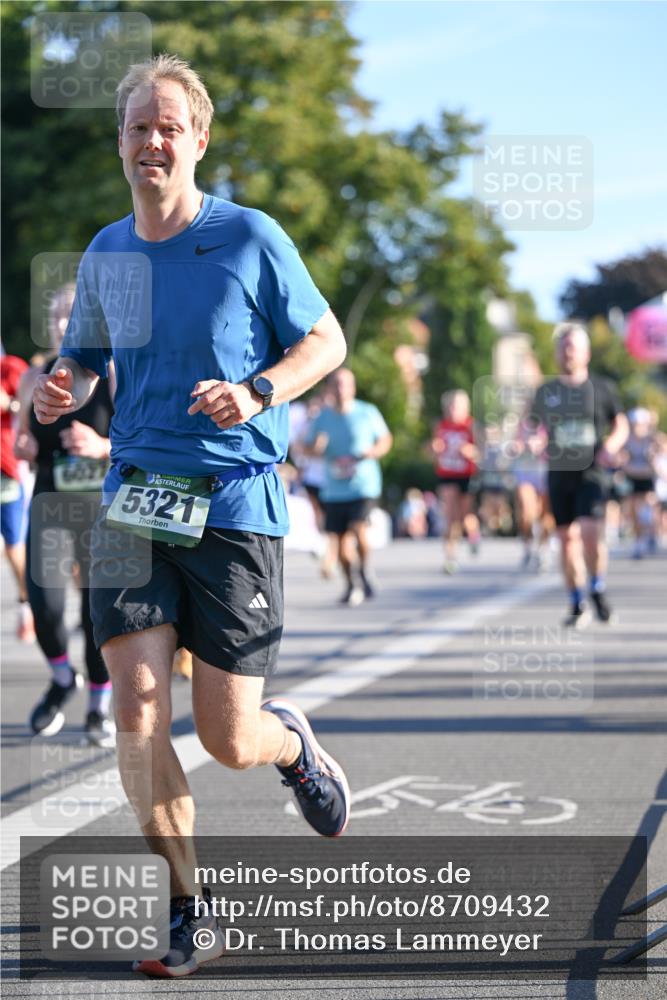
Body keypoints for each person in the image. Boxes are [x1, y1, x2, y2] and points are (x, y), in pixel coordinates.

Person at [33, 54, 349, 978]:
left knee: (226, 738)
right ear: (120, 143)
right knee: (135, 706)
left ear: (199, 140)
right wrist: (65, 390)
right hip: (135, 497)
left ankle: (288, 747)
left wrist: (257, 393)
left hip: (236, 503)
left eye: (170, 125)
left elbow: (324, 340)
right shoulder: (106, 252)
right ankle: (189, 908)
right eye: (138, 126)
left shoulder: (248, 237)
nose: (152, 140)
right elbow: (85, 360)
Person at [15, 284, 116, 746]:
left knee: (99, 612)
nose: (61, 325)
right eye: (56, 316)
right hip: (50, 500)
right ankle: (61, 679)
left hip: (101, 506)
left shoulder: (113, 374)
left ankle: (99, 703)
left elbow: (142, 442)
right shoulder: (32, 375)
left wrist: (101, 447)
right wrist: (25, 446)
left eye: (71, 316)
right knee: (46, 605)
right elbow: (22, 439)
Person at [525, 323, 628, 627]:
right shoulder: (546, 392)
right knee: (566, 539)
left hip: (592, 471)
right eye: (562, 347)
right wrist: (532, 439)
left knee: (590, 533)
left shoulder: (603, 388)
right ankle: (576, 600)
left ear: (586, 353)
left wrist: (611, 444)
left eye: (572, 346)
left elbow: (619, 424)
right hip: (559, 473)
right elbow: (531, 426)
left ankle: (597, 586)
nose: (567, 352)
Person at [305, 367, 393, 605]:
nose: (341, 389)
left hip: (363, 485)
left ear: (353, 387)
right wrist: (316, 448)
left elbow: (385, 439)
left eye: (346, 384)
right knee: (342, 545)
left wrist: (373, 451)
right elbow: (306, 448)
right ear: (330, 388)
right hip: (334, 488)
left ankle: (365, 569)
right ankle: (351, 583)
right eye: (337, 384)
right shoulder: (323, 416)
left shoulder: (367, 412)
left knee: (359, 529)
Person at [1, 350, 34, 642]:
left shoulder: (11, 367)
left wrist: (8, 403)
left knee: (14, 546)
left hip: (6, 470)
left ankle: (28, 604)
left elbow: (28, 410)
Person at [431, 389, 481, 574]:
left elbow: (482, 453)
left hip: (467, 475)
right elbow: (432, 451)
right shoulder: (441, 425)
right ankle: (450, 557)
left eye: (457, 406)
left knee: (465, 517)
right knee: (450, 517)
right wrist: (434, 450)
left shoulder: (471, 426)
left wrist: (470, 451)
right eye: (451, 406)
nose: (453, 410)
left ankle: (474, 535)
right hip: (447, 473)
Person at [619, 407, 659, 558]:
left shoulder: (651, 439)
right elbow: (622, 459)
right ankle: (638, 542)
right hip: (632, 477)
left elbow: (657, 455)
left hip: (647, 478)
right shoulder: (626, 440)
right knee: (633, 510)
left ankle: (651, 533)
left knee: (648, 507)